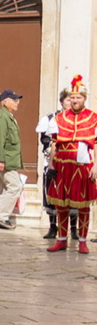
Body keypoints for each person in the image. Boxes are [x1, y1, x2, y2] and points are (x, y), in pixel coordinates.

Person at [46, 75, 97, 253]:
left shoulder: (93, 118)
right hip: (62, 166)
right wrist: (51, 164)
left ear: (84, 98)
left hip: (82, 167)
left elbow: (95, 145)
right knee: (61, 205)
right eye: (72, 97)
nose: (75, 100)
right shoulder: (59, 118)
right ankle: (61, 240)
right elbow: (54, 143)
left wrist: (96, 167)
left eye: (78, 97)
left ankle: (82, 241)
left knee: (82, 205)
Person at [36, 91, 72, 239]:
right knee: (51, 193)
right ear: (62, 102)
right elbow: (44, 138)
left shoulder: (80, 119)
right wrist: (51, 146)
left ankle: (74, 229)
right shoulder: (52, 118)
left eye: (73, 99)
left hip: (71, 161)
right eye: (68, 100)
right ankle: (52, 227)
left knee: (72, 194)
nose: (70, 102)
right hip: (53, 160)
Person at [0, 89, 24, 230]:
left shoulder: (7, 116)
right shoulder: (2, 117)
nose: (17, 102)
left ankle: (0, 217)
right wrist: (0, 159)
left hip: (9, 160)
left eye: (17, 100)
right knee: (15, 187)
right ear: (5, 102)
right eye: (14, 100)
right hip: (6, 161)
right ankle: (1, 217)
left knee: (4, 188)